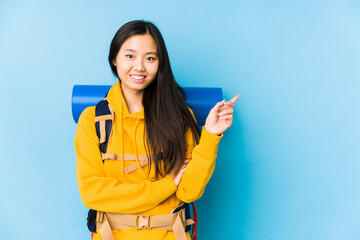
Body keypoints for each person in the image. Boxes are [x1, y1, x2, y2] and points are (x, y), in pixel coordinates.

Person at [75, 20, 240, 240]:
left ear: (160, 63)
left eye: (150, 58)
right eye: (130, 56)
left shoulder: (179, 117)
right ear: (115, 59)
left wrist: (210, 135)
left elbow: (189, 192)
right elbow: (92, 193)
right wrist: (167, 185)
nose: (140, 67)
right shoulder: (92, 120)